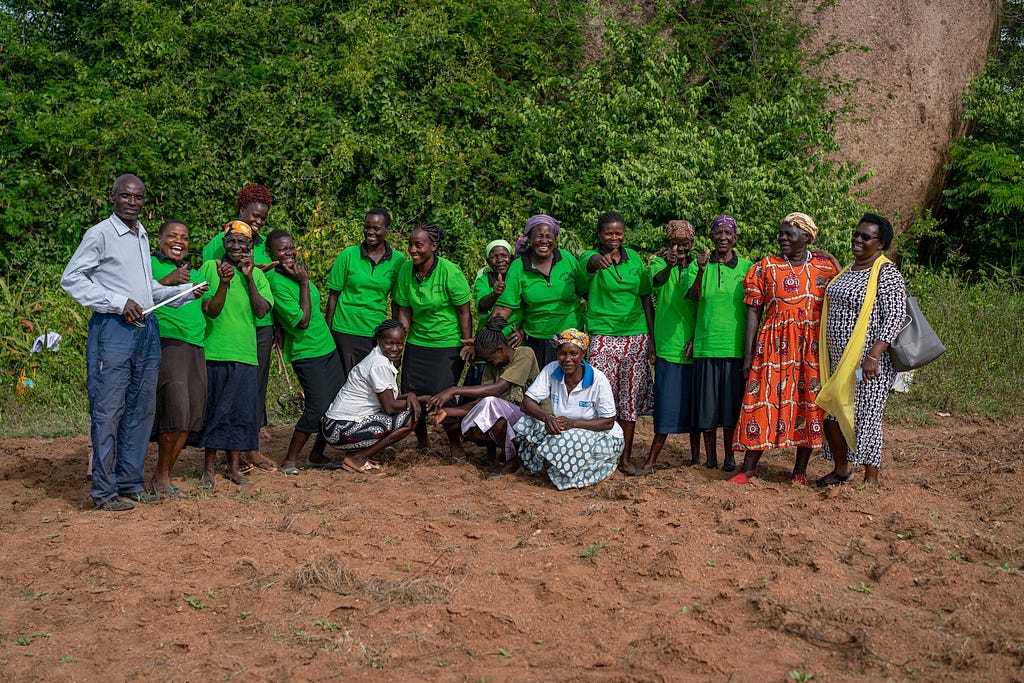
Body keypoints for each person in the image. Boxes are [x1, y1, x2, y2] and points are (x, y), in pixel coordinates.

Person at [61, 174, 205, 511]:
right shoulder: (100, 234)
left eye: (138, 197)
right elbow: (71, 280)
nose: (132, 202)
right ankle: (104, 491)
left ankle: (129, 482)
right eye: (125, 196)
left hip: (146, 330)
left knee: (141, 410)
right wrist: (116, 301)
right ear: (113, 197)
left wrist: (182, 293)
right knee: (109, 411)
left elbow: (145, 291)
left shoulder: (140, 235)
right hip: (113, 331)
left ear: (144, 202)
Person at [729, 213, 840, 486]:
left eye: (790, 234)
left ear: (807, 238)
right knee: (761, 402)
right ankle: (748, 469)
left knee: (808, 406)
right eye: (781, 233)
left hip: (810, 350)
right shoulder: (766, 266)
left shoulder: (824, 269)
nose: (783, 238)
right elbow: (753, 311)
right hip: (772, 347)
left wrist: (834, 260)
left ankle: (799, 471)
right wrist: (748, 355)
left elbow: (843, 290)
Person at [815, 213, 906, 488]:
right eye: (856, 234)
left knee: (866, 413)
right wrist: (832, 261)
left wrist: (874, 355)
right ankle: (842, 470)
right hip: (838, 360)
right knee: (832, 412)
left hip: (868, 362)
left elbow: (896, 315)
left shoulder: (886, 271)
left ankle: (872, 478)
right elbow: (849, 294)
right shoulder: (850, 269)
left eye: (865, 237)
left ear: (880, 244)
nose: (857, 239)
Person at [203, 184, 278, 472]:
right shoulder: (219, 242)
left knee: (252, 390)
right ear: (241, 209)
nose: (258, 222)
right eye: (254, 216)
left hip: (258, 325)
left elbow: (266, 291)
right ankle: (220, 452)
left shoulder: (260, 243)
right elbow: (207, 280)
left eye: (263, 218)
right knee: (221, 392)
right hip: (224, 329)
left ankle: (250, 448)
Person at [578, 211, 655, 474]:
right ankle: (598, 458)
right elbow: (590, 265)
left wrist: (652, 339)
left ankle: (624, 459)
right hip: (603, 336)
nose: (614, 237)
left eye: (618, 233)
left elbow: (645, 297)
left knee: (628, 400)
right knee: (599, 398)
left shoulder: (633, 257)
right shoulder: (589, 256)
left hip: (635, 336)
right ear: (599, 234)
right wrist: (601, 260)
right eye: (609, 233)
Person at [264, 230, 344, 475]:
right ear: (270, 253)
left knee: (336, 405)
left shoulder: (296, 273)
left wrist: (302, 281)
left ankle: (317, 454)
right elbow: (302, 321)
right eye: (281, 249)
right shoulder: (278, 282)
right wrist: (304, 282)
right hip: (306, 352)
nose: (288, 253)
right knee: (317, 407)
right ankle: (290, 459)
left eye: (291, 247)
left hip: (326, 346)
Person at [393, 223, 474, 457]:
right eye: (410, 244)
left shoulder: (450, 271)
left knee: (442, 396)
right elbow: (404, 311)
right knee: (412, 394)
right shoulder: (406, 270)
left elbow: (463, 312)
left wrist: (467, 341)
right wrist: (400, 346)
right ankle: (422, 442)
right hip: (417, 343)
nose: (413, 250)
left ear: (434, 246)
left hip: (446, 343)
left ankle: (455, 445)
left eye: (419, 245)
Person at [424, 317, 540, 477]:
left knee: (491, 403)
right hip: (512, 419)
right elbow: (480, 402)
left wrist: (454, 390)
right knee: (469, 427)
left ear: (500, 349)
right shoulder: (493, 364)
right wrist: (447, 412)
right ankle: (513, 455)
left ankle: (512, 461)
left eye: (490, 359)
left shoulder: (525, 354)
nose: (489, 363)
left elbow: (498, 389)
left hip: (534, 419)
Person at [512, 329, 624, 490]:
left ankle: (571, 472)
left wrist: (573, 423)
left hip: (602, 436)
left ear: (583, 354)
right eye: (562, 354)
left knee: (567, 439)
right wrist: (547, 418)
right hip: (564, 428)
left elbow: (608, 422)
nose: (567, 359)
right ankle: (539, 464)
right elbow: (527, 403)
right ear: (557, 354)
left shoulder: (598, 380)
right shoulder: (552, 369)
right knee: (527, 423)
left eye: (574, 354)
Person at [687, 215, 754, 472]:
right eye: (718, 233)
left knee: (730, 407)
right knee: (707, 407)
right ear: (712, 237)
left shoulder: (747, 267)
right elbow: (694, 297)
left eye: (728, 233)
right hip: (706, 346)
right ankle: (710, 457)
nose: (723, 237)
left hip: (734, 348)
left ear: (735, 238)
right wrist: (701, 271)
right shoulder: (699, 264)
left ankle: (729, 457)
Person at [148, 220, 208, 498]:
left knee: (191, 414)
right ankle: (160, 475)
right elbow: (138, 296)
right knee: (176, 410)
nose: (179, 241)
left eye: (184, 237)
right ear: (159, 239)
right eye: (172, 235)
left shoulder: (192, 271)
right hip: (168, 342)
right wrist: (167, 281)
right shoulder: (148, 264)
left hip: (196, 345)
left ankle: (165, 476)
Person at [321, 320, 422, 473]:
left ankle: (355, 454)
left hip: (334, 426)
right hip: (340, 430)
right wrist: (416, 401)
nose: (395, 348)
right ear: (379, 340)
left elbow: (391, 395)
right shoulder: (379, 364)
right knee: (410, 417)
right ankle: (359, 457)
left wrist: (413, 396)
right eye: (389, 343)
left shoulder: (379, 357)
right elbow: (389, 407)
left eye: (399, 344)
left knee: (408, 408)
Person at [643, 220, 701, 474]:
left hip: (693, 344)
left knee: (695, 405)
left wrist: (696, 337)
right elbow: (657, 280)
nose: (680, 248)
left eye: (684, 244)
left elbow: (698, 298)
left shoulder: (700, 266)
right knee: (665, 404)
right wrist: (669, 264)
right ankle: (651, 460)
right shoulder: (658, 262)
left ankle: (697, 458)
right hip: (667, 343)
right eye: (675, 243)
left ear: (692, 244)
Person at [492, 214, 584, 368]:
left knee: (571, 386)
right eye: (539, 236)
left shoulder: (567, 260)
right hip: (538, 339)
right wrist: (487, 335)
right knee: (541, 387)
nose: (544, 241)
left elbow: (585, 292)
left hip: (571, 339)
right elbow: (504, 307)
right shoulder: (518, 266)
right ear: (529, 238)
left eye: (549, 236)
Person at [325, 208, 406, 383]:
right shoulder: (348, 254)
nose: (370, 232)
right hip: (344, 328)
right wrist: (328, 330)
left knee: (372, 381)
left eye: (376, 228)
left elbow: (396, 303)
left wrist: (395, 334)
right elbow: (333, 296)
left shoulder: (398, 260)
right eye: (367, 227)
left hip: (375, 331)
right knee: (344, 381)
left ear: (387, 230)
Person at [467, 239, 522, 385]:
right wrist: (494, 295)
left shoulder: (519, 278)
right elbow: (483, 306)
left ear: (512, 258)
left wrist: (523, 332)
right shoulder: (484, 280)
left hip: (512, 345)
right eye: (494, 257)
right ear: (488, 261)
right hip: (487, 348)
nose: (500, 260)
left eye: (504, 256)